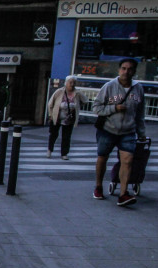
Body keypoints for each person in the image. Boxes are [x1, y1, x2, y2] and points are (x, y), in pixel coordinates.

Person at [92, 57, 146, 207]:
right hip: (108, 129)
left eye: (129, 69)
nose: (126, 72)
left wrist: (141, 132)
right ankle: (98, 186)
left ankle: (123, 194)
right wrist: (114, 108)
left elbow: (140, 113)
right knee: (102, 157)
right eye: (123, 68)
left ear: (134, 71)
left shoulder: (138, 88)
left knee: (127, 160)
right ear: (118, 69)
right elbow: (96, 108)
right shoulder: (109, 86)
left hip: (128, 131)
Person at [46, 75, 85, 160]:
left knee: (66, 137)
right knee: (53, 135)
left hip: (69, 119)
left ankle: (64, 154)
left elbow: (85, 100)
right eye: (70, 82)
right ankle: (49, 150)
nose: (72, 84)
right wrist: (51, 115)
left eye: (74, 82)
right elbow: (50, 104)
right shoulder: (59, 91)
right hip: (56, 117)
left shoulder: (77, 93)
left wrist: (77, 105)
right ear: (66, 83)